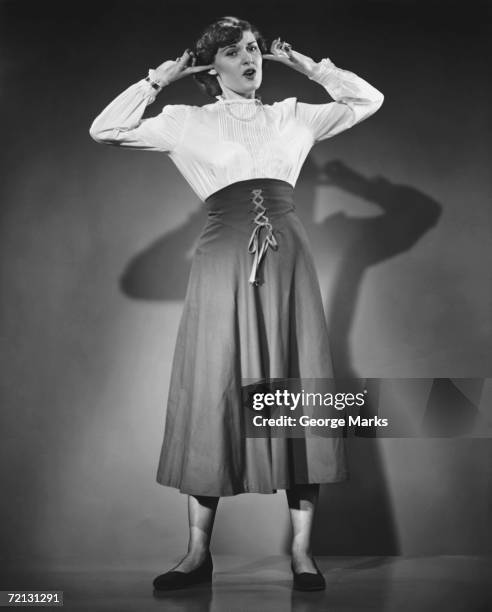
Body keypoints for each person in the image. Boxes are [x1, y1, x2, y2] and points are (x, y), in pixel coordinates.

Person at [89, 16, 384, 592]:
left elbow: (369, 98)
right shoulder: (186, 122)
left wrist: (308, 66)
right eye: (234, 50)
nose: (250, 58)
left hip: (288, 260)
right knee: (214, 388)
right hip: (223, 262)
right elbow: (105, 129)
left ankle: (302, 553)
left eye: (254, 49)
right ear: (211, 65)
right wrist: (158, 80)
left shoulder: (293, 115)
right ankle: (197, 553)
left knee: (296, 388)